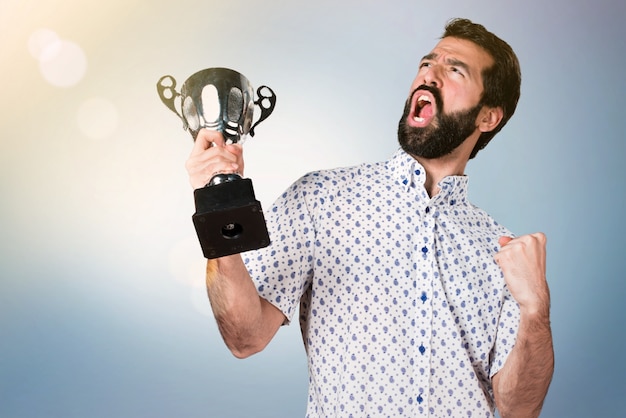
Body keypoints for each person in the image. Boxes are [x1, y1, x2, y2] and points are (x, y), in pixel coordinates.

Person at [185, 18, 554, 418]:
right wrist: (218, 206)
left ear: (488, 118)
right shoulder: (321, 199)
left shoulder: (501, 250)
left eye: (454, 70)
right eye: (427, 63)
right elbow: (245, 336)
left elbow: (519, 407)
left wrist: (536, 309)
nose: (429, 74)